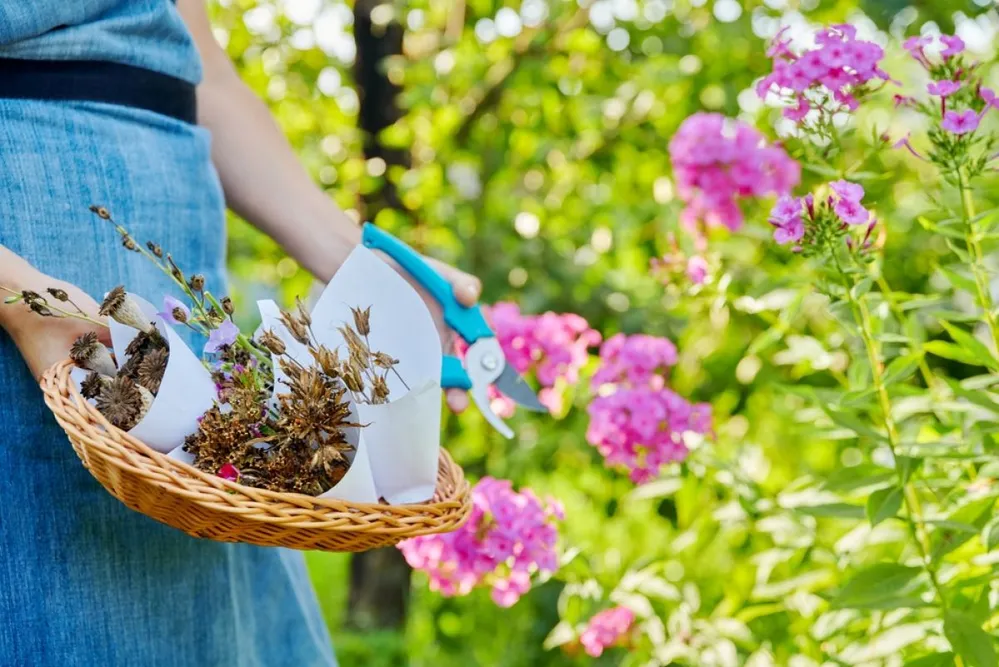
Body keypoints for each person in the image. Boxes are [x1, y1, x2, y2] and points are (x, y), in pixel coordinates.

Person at [0, 2, 480, 665]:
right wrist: (19, 294)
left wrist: (357, 262)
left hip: (176, 258)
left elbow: (207, 79)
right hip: (34, 285)